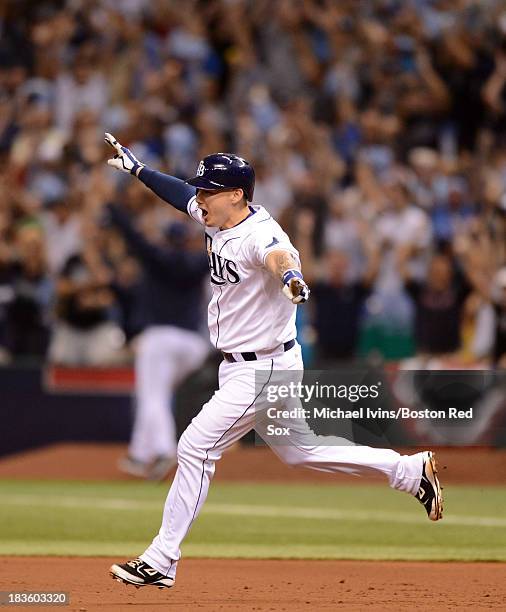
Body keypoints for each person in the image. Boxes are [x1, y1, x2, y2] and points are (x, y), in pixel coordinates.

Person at [104, 133, 443, 590]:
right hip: (259, 364)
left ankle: (162, 558)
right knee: (301, 451)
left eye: (208, 191)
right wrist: (139, 169)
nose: (200, 198)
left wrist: (291, 277)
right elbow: (180, 194)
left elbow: (278, 256)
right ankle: (407, 471)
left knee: (195, 447)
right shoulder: (216, 216)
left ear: (236, 194)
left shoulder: (259, 233)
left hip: (261, 369)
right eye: (202, 190)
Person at [106, 204, 210, 480]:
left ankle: (164, 451)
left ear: (166, 239)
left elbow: (133, 237)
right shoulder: (199, 262)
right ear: (186, 240)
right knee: (154, 394)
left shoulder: (156, 257)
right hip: (193, 344)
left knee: (152, 396)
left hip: (160, 338)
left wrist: (113, 209)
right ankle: (140, 454)